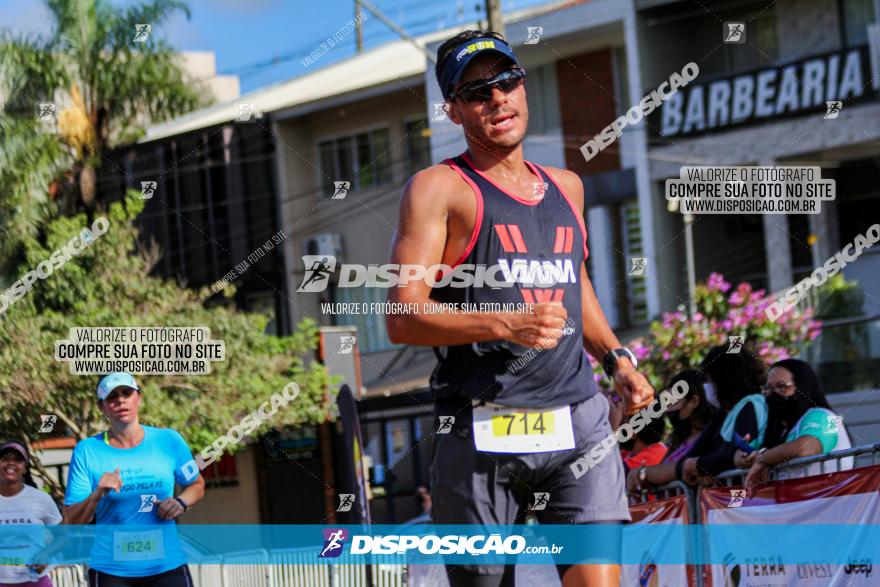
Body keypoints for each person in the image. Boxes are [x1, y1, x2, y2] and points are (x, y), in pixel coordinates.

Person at [386, 29, 655, 587]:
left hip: (578, 420)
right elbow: (401, 316)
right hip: (483, 424)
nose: (498, 98)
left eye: (507, 81)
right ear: (454, 110)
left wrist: (617, 359)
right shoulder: (439, 189)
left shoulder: (567, 186)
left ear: (524, 87)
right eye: (478, 91)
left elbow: (572, 283)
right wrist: (505, 322)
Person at [63, 372, 205, 587]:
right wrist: (97, 494)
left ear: (138, 398)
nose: (120, 400)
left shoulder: (169, 440)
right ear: (102, 407)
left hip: (166, 567)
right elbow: (71, 521)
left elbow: (196, 485)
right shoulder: (87, 451)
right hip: (112, 572)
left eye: (126, 393)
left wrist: (180, 502)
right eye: (112, 396)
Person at [740, 359, 852, 496]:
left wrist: (763, 458)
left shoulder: (828, 417)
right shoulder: (780, 428)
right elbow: (739, 456)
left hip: (829, 506)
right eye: (768, 388)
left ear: (802, 387)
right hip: (797, 509)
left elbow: (805, 448)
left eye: (782, 387)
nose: (773, 394)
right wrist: (751, 455)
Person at [679, 345, 768, 485]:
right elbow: (694, 456)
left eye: (708, 379)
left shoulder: (751, 407)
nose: (706, 386)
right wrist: (700, 467)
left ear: (723, 379)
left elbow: (740, 457)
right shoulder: (727, 413)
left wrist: (697, 465)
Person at [625, 370, 719, 493]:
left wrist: (642, 473)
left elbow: (682, 469)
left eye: (673, 403)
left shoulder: (711, 437)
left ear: (694, 401)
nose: (668, 410)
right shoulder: (680, 441)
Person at [0, 440, 62, 587]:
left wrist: (46, 554)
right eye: (5, 459)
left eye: (18, 459)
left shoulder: (41, 499)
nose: (11, 463)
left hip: (36, 581)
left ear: (25, 468)